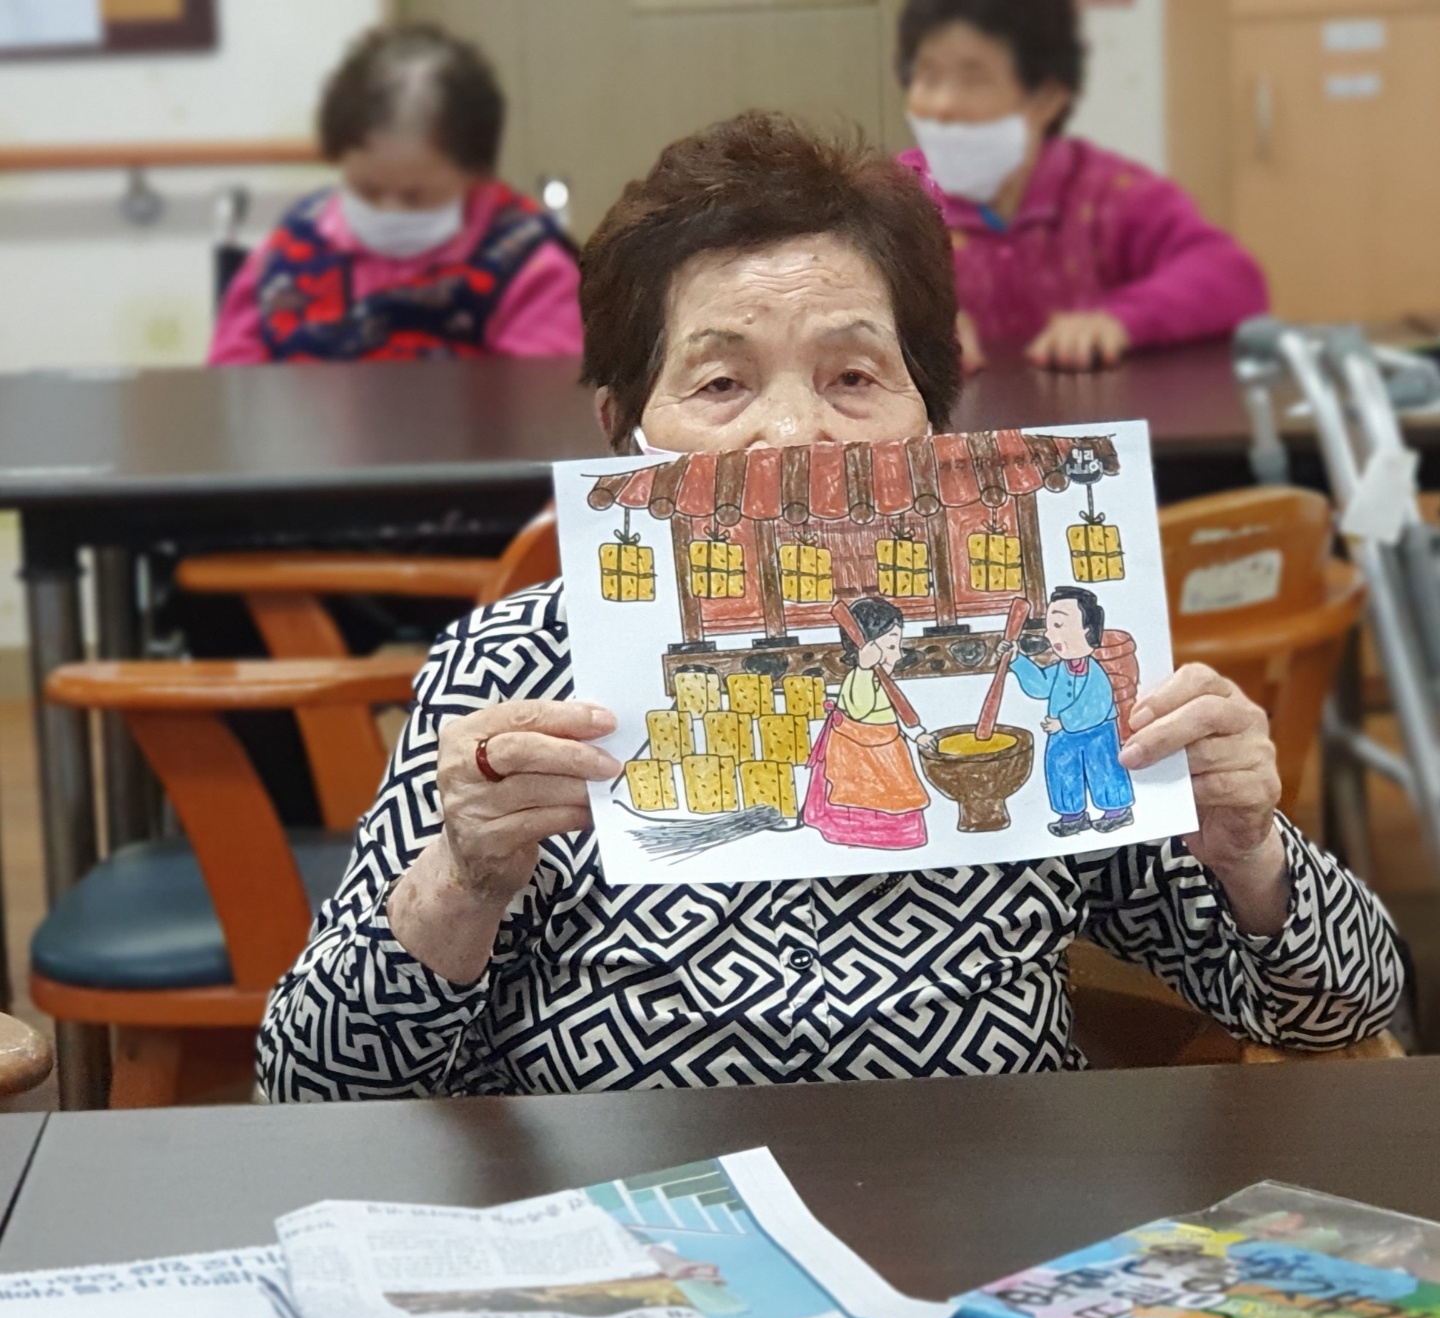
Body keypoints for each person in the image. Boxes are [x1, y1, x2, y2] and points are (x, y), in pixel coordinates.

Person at [259, 113, 1400, 1101]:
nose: (795, 432)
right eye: (721, 382)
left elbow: (1350, 1004)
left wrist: (1251, 851)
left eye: (854, 377)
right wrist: (459, 883)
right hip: (635, 1227)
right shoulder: (511, 666)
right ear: (625, 427)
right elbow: (311, 1082)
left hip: (976, 1211)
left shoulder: (1052, 651)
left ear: (933, 418)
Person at [896, 0, 1268, 373]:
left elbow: (1232, 276)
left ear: (1047, 98)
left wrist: (1121, 319)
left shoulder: (1106, 194)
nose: (941, 104)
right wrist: (910, 327)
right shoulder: (900, 194)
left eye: (973, 80)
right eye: (927, 78)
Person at [209, 23, 581, 364]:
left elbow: (543, 397)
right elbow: (232, 384)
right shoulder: (291, 248)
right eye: (367, 190)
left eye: (416, 196)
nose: (389, 210)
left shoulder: (530, 266)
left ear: (476, 175)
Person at [804, 598, 936, 849]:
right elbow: (859, 709)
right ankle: (856, 834)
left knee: (896, 794)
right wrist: (864, 670)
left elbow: (898, 712)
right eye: (891, 646)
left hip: (888, 749)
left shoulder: (883, 680)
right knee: (860, 795)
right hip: (858, 753)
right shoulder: (858, 678)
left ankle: (896, 834)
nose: (897, 655)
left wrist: (917, 734)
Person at [1006, 586, 1135, 837]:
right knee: (1062, 770)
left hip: (1097, 732)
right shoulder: (1061, 668)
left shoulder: (1095, 672)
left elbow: (1097, 705)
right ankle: (1072, 816)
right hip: (1063, 735)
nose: (1049, 633)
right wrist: (1017, 661)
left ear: (1087, 630)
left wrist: (1063, 722)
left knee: (1104, 769)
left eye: (1058, 625)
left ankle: (1116, 811)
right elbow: (1040, 686)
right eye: (1049, 626)